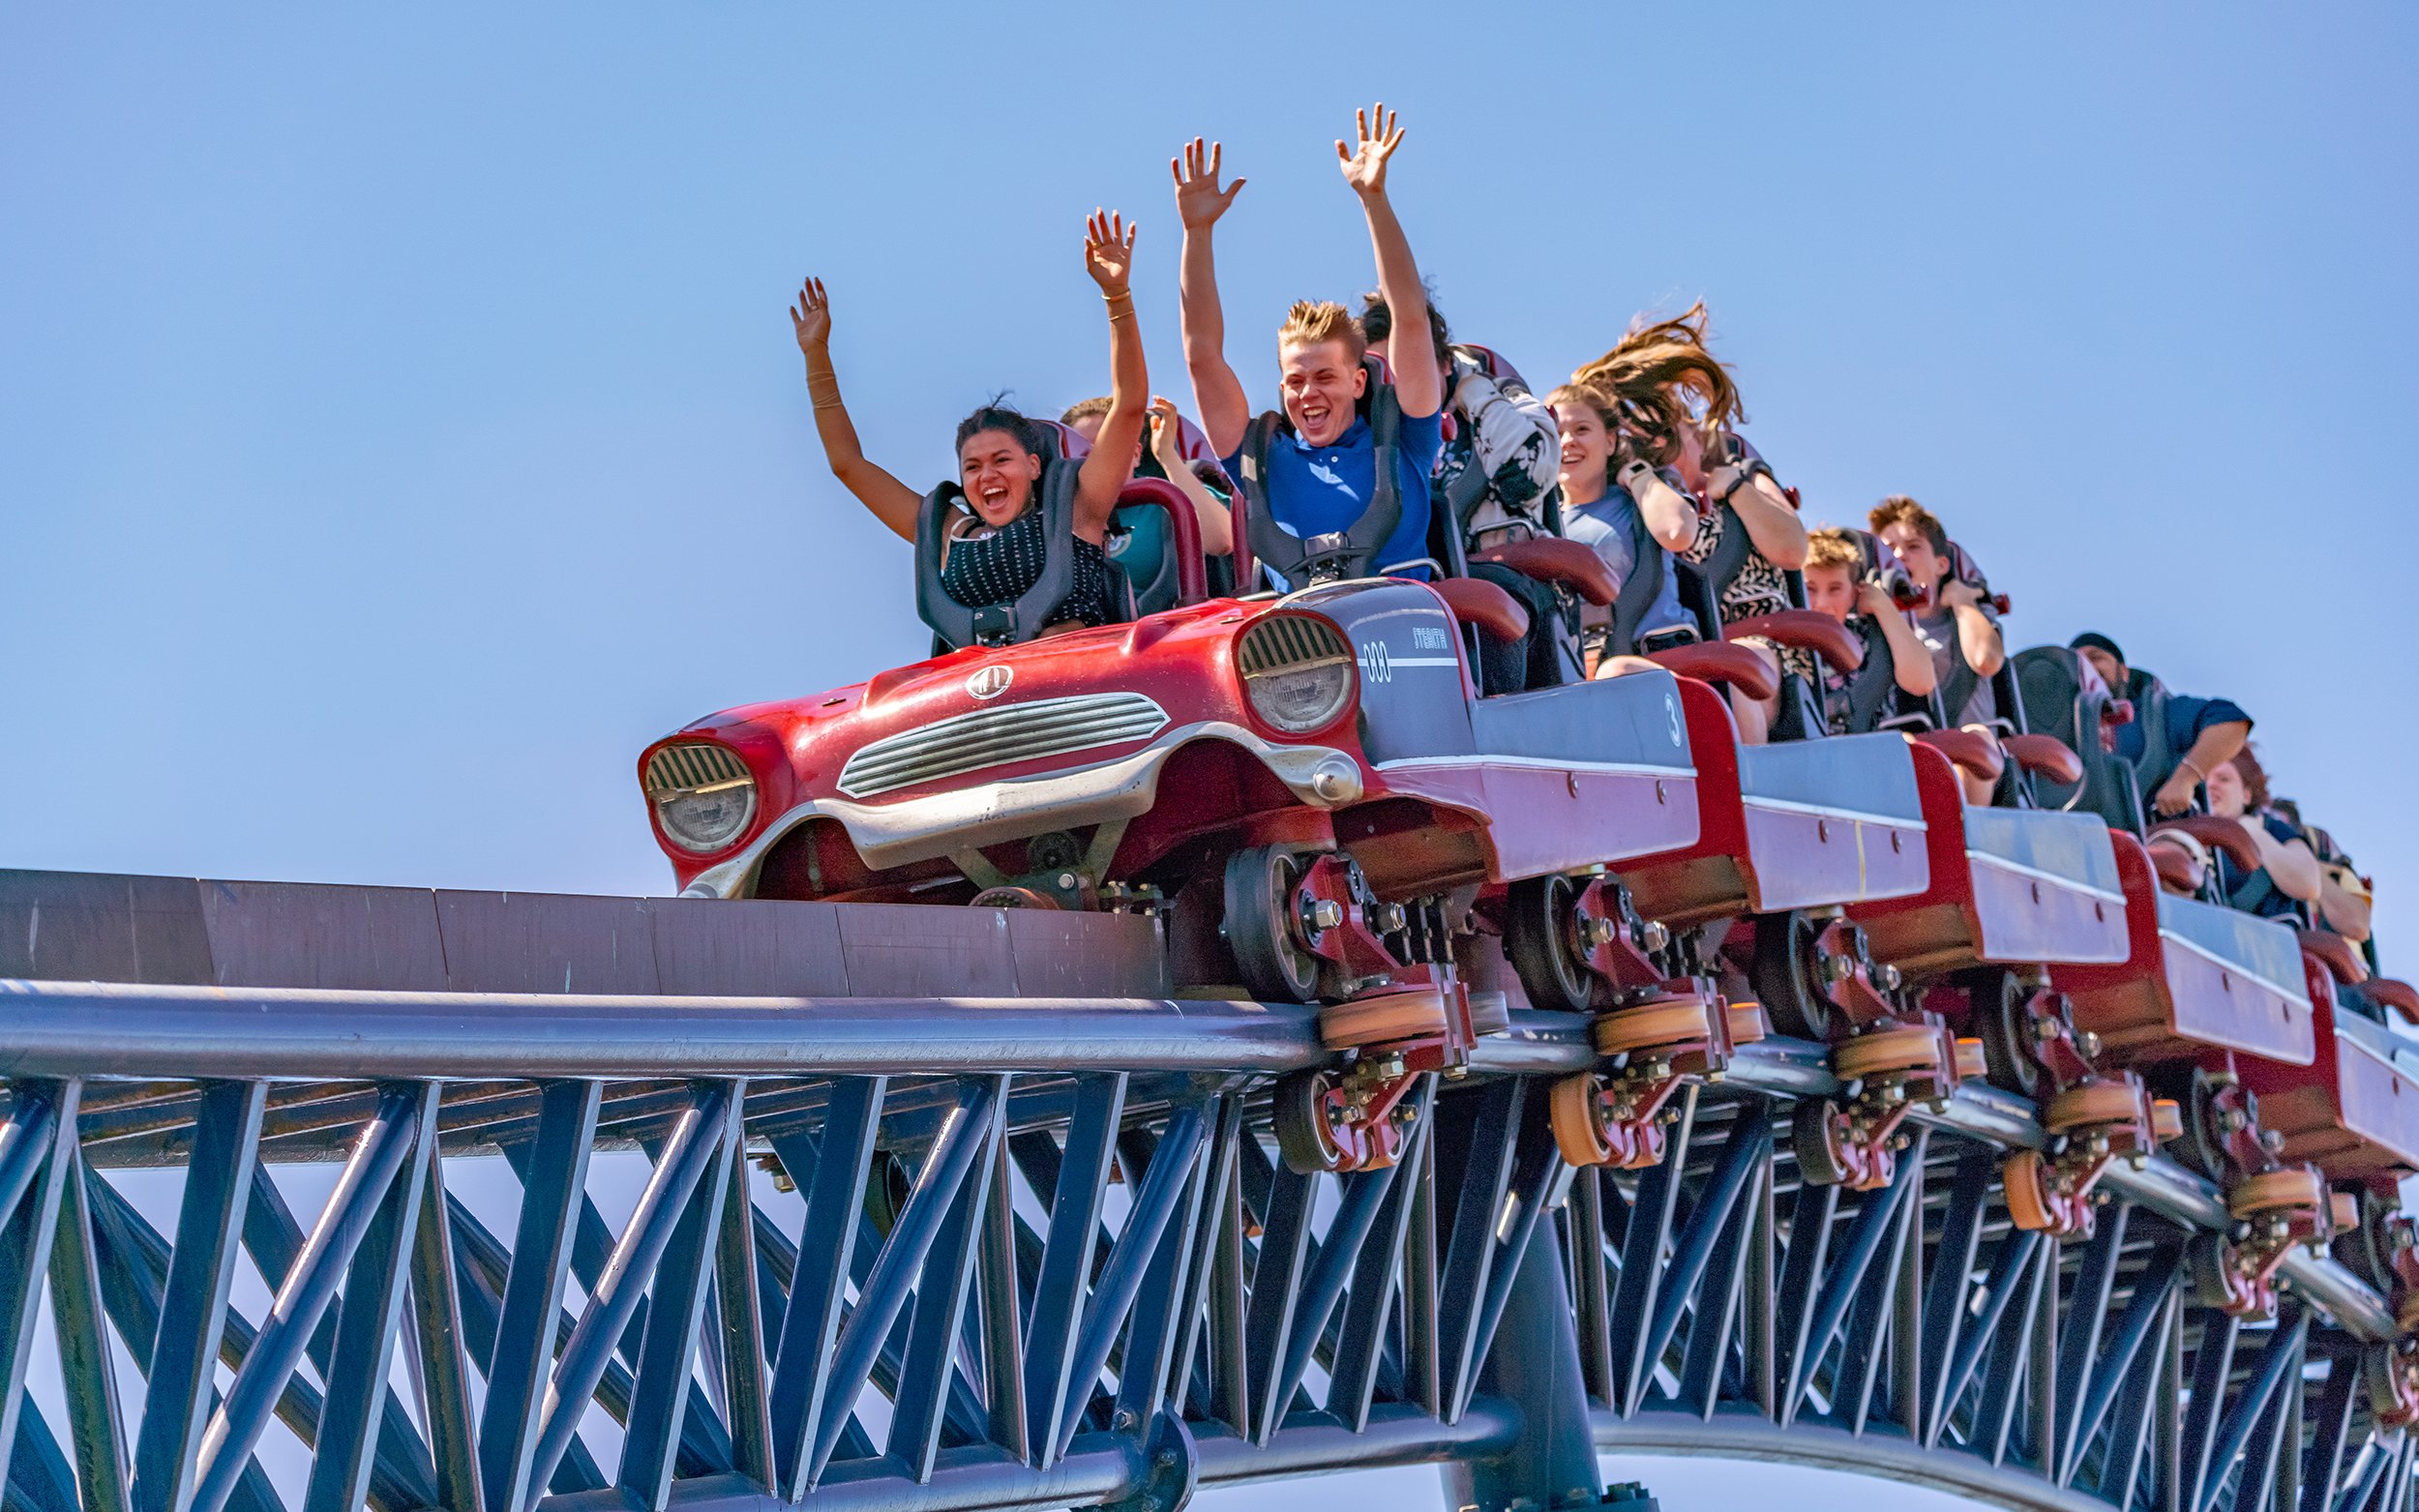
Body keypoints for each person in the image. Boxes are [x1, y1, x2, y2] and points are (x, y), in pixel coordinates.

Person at [791, 211, 1149, 633]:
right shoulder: (949, 533)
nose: (988, 475)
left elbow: (1128, 406)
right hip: (987, 686)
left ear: (1034, 466)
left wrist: (1117, 297)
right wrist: (816, 357)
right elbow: (847, 463)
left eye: (1002, 460)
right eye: (973, 467)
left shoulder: (1078, 510)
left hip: (1074, 678)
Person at [1172, 107, 1446, 594]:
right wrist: (1197, 235)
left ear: (1359, 381)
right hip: (1304, 645)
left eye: (1324, 377)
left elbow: (1409, 317)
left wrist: (1374, 200)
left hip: (1402, 626)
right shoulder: (1263, 459)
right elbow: (1202, 356)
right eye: (1296, 382)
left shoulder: (1406, 441)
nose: (1308, 394)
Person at [1574, 306, 1808, 741]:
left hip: (1758, 647)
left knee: (1735, 666)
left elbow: (1792, 550)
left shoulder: (1738, 466)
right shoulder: (1638, 487)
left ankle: (1747, 792)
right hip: (1681, 645)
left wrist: (1736, 487)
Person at [1361, 289, 1567, 691]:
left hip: (1510, 589)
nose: (1402, 381)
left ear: (1443, 362)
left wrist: (1474, 391)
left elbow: (1527, 474)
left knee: (1488, 592)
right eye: (1387, 371)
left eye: (1411, 364)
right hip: (1414, 588)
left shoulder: (1504, 400)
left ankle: (1499, 730)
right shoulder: (1376, 441)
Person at [1869, 495, 2007, 801]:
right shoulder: (1871, 626)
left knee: (1968, 750)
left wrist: (1963, 601)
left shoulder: (1961, 621)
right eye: (1889, 550)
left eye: (1913, 547)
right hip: (1903, 758)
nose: (1900, 556)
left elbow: (1986, 660)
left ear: (1941, 564)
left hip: (1971, 763)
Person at [1546, 383, 1696, 665]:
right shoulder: (1540, 523)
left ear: (1610, 441)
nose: (1567, 441)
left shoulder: (1636, 500)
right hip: (1580, 670)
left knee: (1615, 671)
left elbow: (1678, 532)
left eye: (1582, 430)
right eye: (1556, 433)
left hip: (1660, 659)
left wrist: (1639, 476)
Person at [2069, 632, 2254, 819]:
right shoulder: (2063, 730)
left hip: (2155, 838)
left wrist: (2185, 778)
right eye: (2077, 663)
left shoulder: (2159, 714)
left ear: (2124, 672)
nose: (2086, 667)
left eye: (2095, 658)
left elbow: (2231, 722)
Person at [1060, 393, 1236, 561]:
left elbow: (1221, 540)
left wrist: (1167, 455)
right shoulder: (1055, 515)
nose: (1095, 458)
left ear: (1136, 454)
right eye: (1081, 451)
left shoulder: (1168, 498)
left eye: (1105, 446)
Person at [1802, 527, 1935, 736]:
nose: (1822, 603)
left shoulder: (1870, 634)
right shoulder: (1787, 637)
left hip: (1873, 748)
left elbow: (1922, 682)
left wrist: (1883, 606)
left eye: (1835, 589)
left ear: (1856, 592)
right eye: (1810, 588)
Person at [2201, 747, 2321, 919]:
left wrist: (2251, 832)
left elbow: (2308, 884)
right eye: (2205, 780)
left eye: (2223, 779)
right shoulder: (2188, 837)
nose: (2211, 785)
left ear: (2246, 796)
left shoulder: (2271, 827)